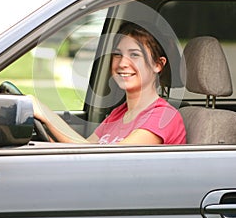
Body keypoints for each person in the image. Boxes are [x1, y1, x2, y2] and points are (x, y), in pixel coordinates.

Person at [32, 22, 186, 145]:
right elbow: (86, 147)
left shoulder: (164, 117)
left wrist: (46, 114)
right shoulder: (118, 113)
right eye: (118, 54)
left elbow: (104, 159)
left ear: (157, 65)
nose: (122, 63)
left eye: (134, 55)